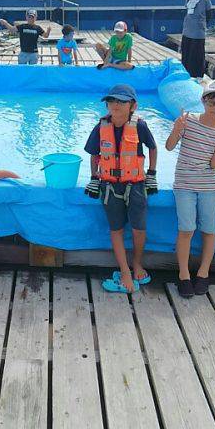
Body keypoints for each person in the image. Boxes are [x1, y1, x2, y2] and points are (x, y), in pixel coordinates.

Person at [165, 79, 215, 298]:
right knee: (186, 229)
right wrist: (177, 130)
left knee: (209, 229)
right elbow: (169, 147)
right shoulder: (189, 121)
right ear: (203, 100)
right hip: (185, 184)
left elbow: (214, 162)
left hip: (210, 186)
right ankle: (184, 274)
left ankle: (204, 272)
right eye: (212, 101)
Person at [84, 84, 158, 294]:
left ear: (133, 106)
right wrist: (94, 178)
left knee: (139, 228)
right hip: (109, 185)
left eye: (121, 101)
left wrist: (151, 174)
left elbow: (153, 147)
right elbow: (94, 154)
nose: (115, 105)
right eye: (111, 101)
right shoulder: (101, 127)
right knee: (116, 228)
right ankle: (124, 270)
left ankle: (137, 263)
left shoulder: (140, 126)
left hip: (135, 184)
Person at [181, 0, 212, 78]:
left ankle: (197, 74)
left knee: (197, 55)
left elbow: (209, 14)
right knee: (186, 54)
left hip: (198, 32)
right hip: (187, 31)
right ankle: (186, 73)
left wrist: (202, 25)